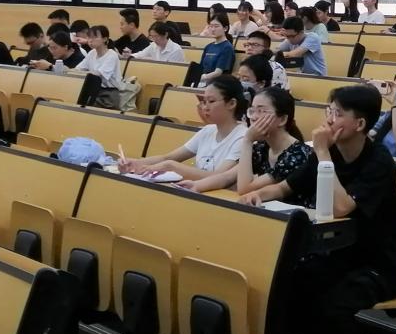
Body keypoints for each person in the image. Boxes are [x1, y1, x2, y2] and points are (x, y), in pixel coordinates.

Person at [239, 84, 396, 334]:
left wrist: (321, 152)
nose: (329, 120)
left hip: (381, 265)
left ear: (360, 124)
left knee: (332, 306)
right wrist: (257, 195)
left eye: (338, 114)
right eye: (329, 111)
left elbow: (342, 207)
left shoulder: (378, 160)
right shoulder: (328, 152)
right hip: (339, 256)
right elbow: (284, 187)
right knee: (286, 287)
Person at [177, 87, 311, 198]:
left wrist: (247, 141)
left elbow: (245, 189)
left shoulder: (297, 154)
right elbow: (227, 177)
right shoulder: (262, 148)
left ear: (282, 120)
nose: (253, 117)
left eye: (261, 111)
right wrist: (196, 186)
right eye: (252, 111)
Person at [119, 75, 247, 180]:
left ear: (231, 103)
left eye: (211, 101)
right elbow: (168, 158)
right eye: (204, 102)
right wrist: (136, 163)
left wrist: (172, 166)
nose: (205, 107)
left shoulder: (243, 138)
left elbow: (218, 177)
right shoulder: (208, 131)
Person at [73, 25, 122, 109]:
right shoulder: (92, 53)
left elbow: (98, 74)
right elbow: (78, 69)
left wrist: (83, 73)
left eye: (94, 37)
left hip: (108, 95)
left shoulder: (112, 55)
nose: (90, 40)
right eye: (89, 37)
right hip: (93, 91)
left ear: (105, 39)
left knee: (83, 105)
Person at [199, 15, 236, 85]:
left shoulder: (227, 47)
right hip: (202, 81)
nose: (213, 29)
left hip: (217, 84)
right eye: (211, 26)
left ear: (225, 28)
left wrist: (202, 77)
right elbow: (200, 68)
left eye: (216, 26)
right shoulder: (208, 47)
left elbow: (218, 72)